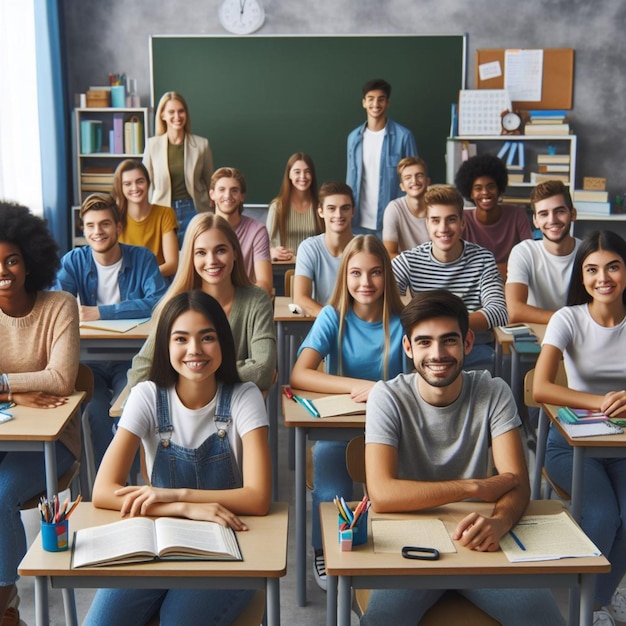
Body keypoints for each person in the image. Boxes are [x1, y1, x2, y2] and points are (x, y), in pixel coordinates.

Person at [362, 290, 565, 626]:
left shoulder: (493, 391)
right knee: (380, 621)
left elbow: (517, 483)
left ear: (468, 342)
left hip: (482, 541)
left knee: (545, 620)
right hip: (412, 546)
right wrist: (473, 486)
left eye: (449, 341)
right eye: (424, 342)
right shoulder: (388, 397)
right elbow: (382, 495)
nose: (437, 354)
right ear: (409, 348)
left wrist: (499, 523)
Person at [84, 290, 271, 626]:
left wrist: (175, 494)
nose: (195, 350)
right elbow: (103, 491)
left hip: (228, 543)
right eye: (180, 339)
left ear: (223, 343)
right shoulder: (146, 396)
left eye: (207, 338)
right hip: (155, 541)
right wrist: (183, 508)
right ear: (165, 346)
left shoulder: (246, 396)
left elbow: (257, 499)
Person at [290, 235, 405, 590]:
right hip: (344, 419)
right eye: (355, 273)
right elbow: (300, 373)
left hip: (395, 423)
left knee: (395, 489)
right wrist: (361, 387)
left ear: (387, 276)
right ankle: (323, 548)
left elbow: (421, 378)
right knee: (330, 479)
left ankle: (393, 550)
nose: (365, 283)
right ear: (344, 277)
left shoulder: (404, 319)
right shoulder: (332, 316)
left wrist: (383, 391)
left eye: (374, 273)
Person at [533, 230, 626, 626]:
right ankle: (587, 604)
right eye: (592, 269)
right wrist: (604, 402)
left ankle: (598, 600)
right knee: (603, 516)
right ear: (581, 276)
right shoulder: (567, 318)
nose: (602, 277)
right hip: (570, 445)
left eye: (613, 266)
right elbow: (540, 388)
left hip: (621, 447)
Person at [0, 201, 80, 626]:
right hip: (8, 430)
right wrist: (19, 395)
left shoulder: (59, 305)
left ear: (29, 261)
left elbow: (62, 379)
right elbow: (42, 380)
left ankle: (4, 605)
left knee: (1, 493)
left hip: (53, 439)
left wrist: (6, 386)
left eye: (12, 259)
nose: (4, 270)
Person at [55, 193, 168, 468]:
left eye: (105, 224)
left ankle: (128, 479)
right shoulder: (73, 261)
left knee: (128, 409)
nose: (97, 232)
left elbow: (159, 302)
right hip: (89, 360)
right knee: (95, 416)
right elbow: (58, 304)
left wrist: (102, 312)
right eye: (90, 225)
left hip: (131, 358)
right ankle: (109, 487)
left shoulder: (142, 258)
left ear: (118, 227)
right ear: (83, 229)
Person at [128, 212, 276, 393]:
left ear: (235, 253)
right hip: (181, 410)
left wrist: (192, 372)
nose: (211, 261)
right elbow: (143, 367)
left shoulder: (257, 300)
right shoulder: (176, 303)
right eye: (201, 253)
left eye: (220, 250)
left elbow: (263, 369)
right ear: (191, 257)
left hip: (233, 408)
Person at [392, 184, 508, 368]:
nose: (443, 228)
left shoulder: (483, 259)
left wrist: (442, 324)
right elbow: (382, 302)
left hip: (473, 348)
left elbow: (498, 313)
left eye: (451, 220)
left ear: (463, 223)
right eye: (436, 220)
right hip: (426, 349)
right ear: (427, 224)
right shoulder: (409, 260)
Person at [346, 78, 418, 238]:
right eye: (370, 99)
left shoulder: (404, 137)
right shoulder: (353, 138)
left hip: (392, 220)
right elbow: (350, 180)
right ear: (363, 102)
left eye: (381, 99)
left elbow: (414, 182)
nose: (375, 104)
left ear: (388, 103)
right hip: (357, 222)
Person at [143, 91, 214, 246]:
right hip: (163, 210)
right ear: (162, 115)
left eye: (181, 111)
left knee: (194, 258)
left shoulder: (202, 145)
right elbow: (144, 184)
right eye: (171, 112)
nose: (177, 116)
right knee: (168, 260)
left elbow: (212, 185)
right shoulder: (152, 145)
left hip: (194, 209)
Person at [506, 180, 580, 324]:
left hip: (578, 338)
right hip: (537, 337)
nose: (552, 220)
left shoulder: (588, 253)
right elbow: (514, 311)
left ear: (573, 214)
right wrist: (569, 320)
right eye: (543, 214)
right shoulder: (524, 252)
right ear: (535, 221)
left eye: (560, 211)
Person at [455, 154, 533, 278]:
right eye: (478, 188)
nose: (485, 192)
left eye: (491, 186)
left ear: (499, 188)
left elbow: (529, 258)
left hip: (512, 283)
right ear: (470, 193)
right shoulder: (463, 219)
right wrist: (504, 268)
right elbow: (458, 265)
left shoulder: (517, 215)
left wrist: (483, 270)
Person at [293, 181, 355, 317]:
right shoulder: (309, 248)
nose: (339, 215)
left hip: (360, 326)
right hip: (325, 324)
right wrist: (333, 322)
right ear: (320, 212)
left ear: (353, 211)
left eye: (345, 208)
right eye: (331, 208)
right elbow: (300, 298)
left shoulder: (364, 247)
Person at [209, 167, 273, 296]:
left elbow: (265, 284)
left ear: (242, 196)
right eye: (222, 190)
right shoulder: (201, 228)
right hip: (207, 303)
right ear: (212, 194)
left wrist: (232, 300)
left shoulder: (257, 231)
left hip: (244, 303)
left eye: (234, 190)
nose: (227, 196)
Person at [113, 159, 179, 279]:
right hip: (125, 282)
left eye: (140, 181)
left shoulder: (165, 214)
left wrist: (141, 278)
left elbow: (172, 265)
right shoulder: (114, 218)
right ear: (120, 187)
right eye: (127, 184)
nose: (135, 188)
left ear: (148, 183)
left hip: (157, 282)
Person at [266, 152, 322, 261]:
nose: (303, 177)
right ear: (289, 175)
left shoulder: (320, 206)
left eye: (307, 172)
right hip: (284, 266)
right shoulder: (277, 206)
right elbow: (265, 242)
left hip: (313, 266)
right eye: (297, 172)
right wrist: (271, 251)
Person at [382, 156, 431, 258]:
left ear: (427, 181)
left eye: (419, 176)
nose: (414, 181)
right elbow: (390, 253)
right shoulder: (394, 209)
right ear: (402, 186)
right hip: (405, 270)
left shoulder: (438, 208)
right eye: (408, 177)